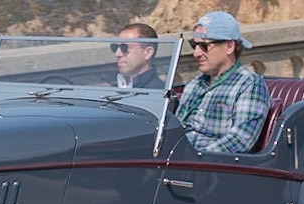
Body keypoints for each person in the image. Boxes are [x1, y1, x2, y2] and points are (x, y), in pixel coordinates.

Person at [176, 10, 271, 154]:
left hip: (213, 167)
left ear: (229, 47)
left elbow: (240, 140)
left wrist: (194, 158)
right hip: (178, 160)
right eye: (194, 45)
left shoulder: (248, 84)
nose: (196, 53)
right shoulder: (194, 85)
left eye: (204, 46)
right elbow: (176, 128)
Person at [111, 22, 164, 89]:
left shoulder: (159, 94)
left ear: (148, 53)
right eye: (115, 47)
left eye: (124, 47)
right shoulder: (109, 86)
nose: (117, 54)